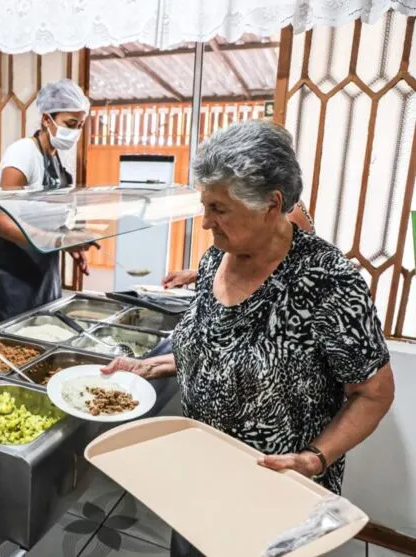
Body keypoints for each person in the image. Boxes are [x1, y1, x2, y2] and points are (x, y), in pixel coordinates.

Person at [102, 120, 394, 557]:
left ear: (271, 204)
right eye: (206, 206)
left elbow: (373, 393)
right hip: (201, 477)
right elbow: (215, 341)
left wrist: (315, 458)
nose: (206, 223)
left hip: (276, 491)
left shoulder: (327, 282)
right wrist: (162, 363)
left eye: (219, 209)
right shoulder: (214, 259)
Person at [0, 79, 95, 326]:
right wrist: (60, 241)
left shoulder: (56, 161)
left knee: (45, 335)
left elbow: (49, 220)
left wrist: (72, 244)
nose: (75, 132)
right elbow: (1, 223)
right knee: (14, 345)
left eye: (80, 125)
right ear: (46, 119)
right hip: (11, 273)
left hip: (43, 270)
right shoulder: (22, 153)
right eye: (70, 124)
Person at [162, 195, 315, 288]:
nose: (206, 224)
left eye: (220, 209)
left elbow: (270, 275)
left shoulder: (286, 217)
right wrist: (196, 274)